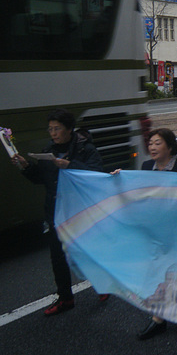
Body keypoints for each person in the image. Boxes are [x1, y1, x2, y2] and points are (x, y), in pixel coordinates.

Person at [12, 109, 104, 316]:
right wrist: (25, 167)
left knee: (87, 250)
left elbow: (97, 173)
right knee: (57, 256)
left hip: (80, 211)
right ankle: (65, 298)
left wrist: (70, 165)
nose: (53, 133)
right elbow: (41, 179)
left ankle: (102, 284)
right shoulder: (48, 150)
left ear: (69, 129)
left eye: (57, 129)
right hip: (55, 211)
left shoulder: (84, 149)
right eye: (50, 129)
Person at [115, 128, 177, 340]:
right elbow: (139, 190)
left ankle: (161, 318)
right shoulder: (146, 166)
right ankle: (165, 314)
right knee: (159, 270)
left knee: (175, 269)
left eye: (157, 143)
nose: (152, 147)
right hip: (154, 228)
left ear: (169, 146)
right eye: (150, 143)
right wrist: (120, 179)